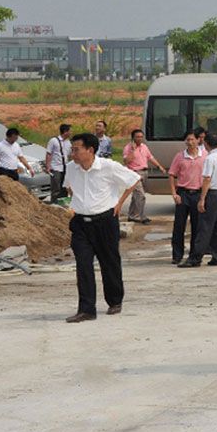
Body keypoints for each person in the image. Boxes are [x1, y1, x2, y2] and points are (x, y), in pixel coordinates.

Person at [62, 133, 142, 322]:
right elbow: (68, 187)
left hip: (105, 221)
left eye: (76, 150)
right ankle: (87, 309)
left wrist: (119, 203)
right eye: (72, 149)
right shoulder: (71, 168)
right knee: (83, 265)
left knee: (109, 262)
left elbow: (134, 179)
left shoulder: (108, 166)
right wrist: (74, 203)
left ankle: (115, 300)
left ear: (90, 150)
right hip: (80, 224)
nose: (73, 153)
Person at [178, 133, 217, 268]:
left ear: (206, 143)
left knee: (205, 227)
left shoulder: (210, 158)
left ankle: (195, 258)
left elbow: (207, 179)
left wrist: (202, 199)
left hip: (212, 193)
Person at [167, 130, 207, 265]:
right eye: (188, 140)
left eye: (192, 139)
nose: (190, 142)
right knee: (179, 225)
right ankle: (177, 255)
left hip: (198, 193)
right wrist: (174, 193)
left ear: (198, 140)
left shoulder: (204, 155)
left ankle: (194, 254)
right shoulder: (180, 156)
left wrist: (204, 196)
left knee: (197, 225)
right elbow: (172, 174)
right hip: (183, 193)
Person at [123, 129, 166, 224]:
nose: (140, 139)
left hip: (144, 172)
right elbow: (126, 161)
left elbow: (150, 157)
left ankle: (132, 215)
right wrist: (133, 150)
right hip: (134, 174)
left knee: (136, 196)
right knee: (140, 195)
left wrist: (159, 166)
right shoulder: (128, 148)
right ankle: (141, 216)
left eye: (141, 137)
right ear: (133, 138)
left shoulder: (144, 146)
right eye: (137, 137)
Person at [46, 123, 72, 202]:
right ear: (65, 132)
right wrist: (48, 166)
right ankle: (54, 203)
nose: (71, 133)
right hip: (55, 167)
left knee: (64, 187)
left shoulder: (68, 142)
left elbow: (69, 155)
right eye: (70, 131)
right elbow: (49, 153)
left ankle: (62, 203)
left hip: (65, 167)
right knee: (56, 187)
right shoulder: (53, 141)